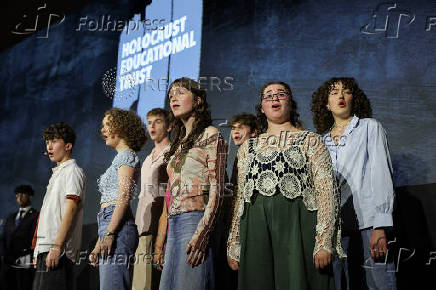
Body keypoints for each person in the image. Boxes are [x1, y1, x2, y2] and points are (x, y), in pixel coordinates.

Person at [227, 81, 344, 290]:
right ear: (262, 107)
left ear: (290, 102)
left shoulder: (310, 140)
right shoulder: (248, 147)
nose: (274, 98)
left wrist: (324, 240)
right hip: (255, 228)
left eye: (281, 94)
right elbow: (240, 200)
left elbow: (327, 192)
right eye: (268, 95)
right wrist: (234, 241)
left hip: (297, 226)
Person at [311, 77, 397, 290]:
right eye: (334, 92)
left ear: (354, 98)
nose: (341, 96)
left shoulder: (370, 127)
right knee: (340, 282)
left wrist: (381, 224)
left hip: (369, 219)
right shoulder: (321, 142)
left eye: (346, 91)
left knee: (380, 282)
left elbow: (382, 174)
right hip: (337, 223)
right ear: (326, 103)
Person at [158, 77, 227, 290]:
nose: (173, 98)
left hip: (195, 221)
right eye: (170, 95)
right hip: (175, 224)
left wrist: (203, 233)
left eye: (180, 92)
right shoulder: (177, 144)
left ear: (197, 100)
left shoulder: (211, 134)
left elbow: (218, 189)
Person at [89, 108, 147, 290]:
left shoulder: (127, 155)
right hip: (109, 223)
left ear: (121, 127)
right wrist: (100, 242)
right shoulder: (120, 158)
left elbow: (123, 196)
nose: (103, 130)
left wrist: (110, 233)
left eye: (107, 125)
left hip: (118, 226)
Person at [33, 122, 86, 290]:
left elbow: (70, 210)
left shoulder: (72, 171)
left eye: (54, 141)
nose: (49, 146)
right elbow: (47, 215)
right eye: (47, 142)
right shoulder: (57, 174)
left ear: (68, 146)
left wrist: (57, 246)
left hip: (58, 250)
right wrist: (37, 249)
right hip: (45, 248)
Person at [133, 108, 171, 290]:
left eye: (158, 121)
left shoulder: (171, 154)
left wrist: (160, 237)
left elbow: (167, 196)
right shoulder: (148, 158)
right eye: (149, 122)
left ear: (169, 126)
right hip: (142, 225)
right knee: (140, 281)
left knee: (150, 282)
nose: (152, 126)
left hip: (158, 225)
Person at [0, 185, 38, 290]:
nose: (19, 197)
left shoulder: (35, 215)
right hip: (7, 262)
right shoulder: (11, 217)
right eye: (17, 195)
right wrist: (3, 254)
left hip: (24, 262)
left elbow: (33, 239)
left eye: (22, 194)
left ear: (30, 197)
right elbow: (3, 237)